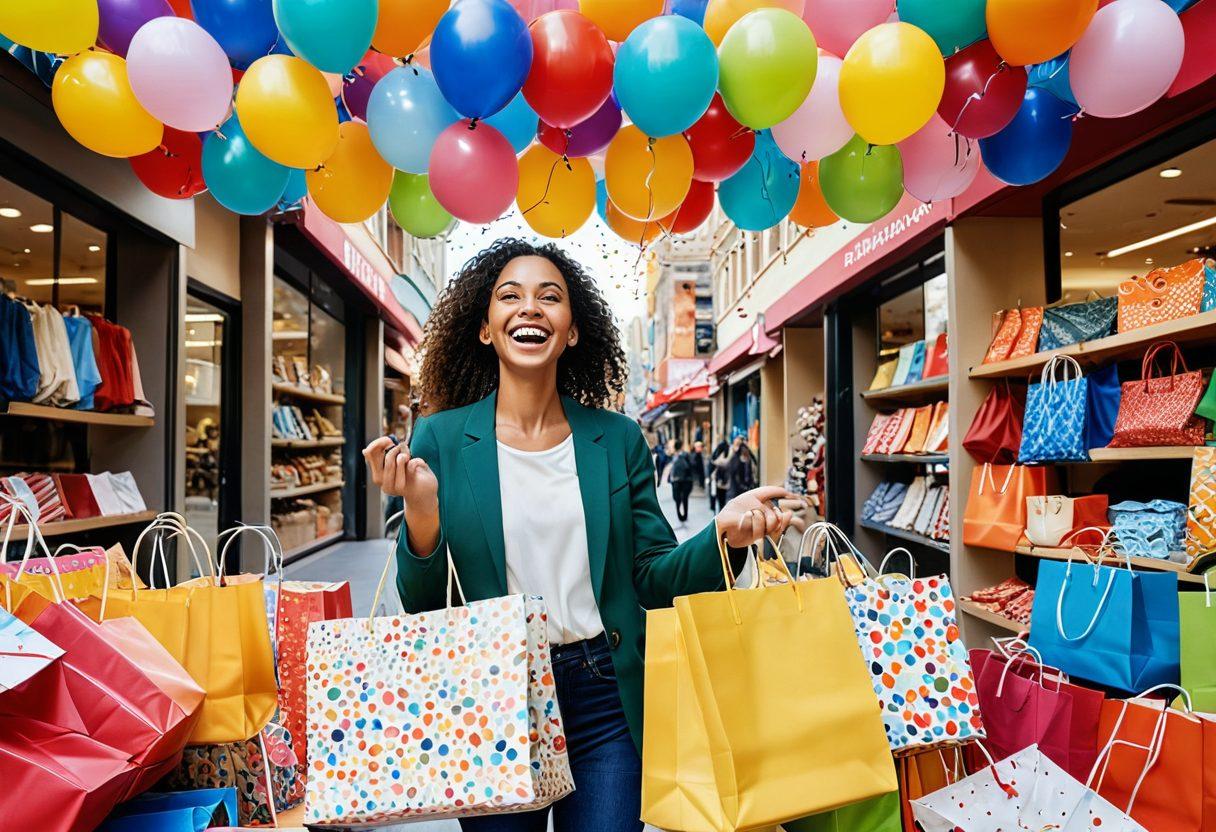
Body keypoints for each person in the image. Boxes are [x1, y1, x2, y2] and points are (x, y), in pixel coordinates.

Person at [363, 239, 798, 832]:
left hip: (605, 698)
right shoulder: (439, 439)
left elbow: (652, 577)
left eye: (550, 297)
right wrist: (421, 512)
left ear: (572, 331)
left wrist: (721, 534)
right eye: (509, 296)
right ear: (486, 328)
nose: (530, 308)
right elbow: (424, 604)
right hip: (492, 697)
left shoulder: (617, 439)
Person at [668, 439, 693, 524]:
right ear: (681, 446)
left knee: (678, 498)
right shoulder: (685, 455)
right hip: (685, 480)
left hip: (676, 481)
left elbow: (671, 470)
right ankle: (684, 515)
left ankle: (680, 514)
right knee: (684, 498)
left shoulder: (673, 456)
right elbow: (690, 466)